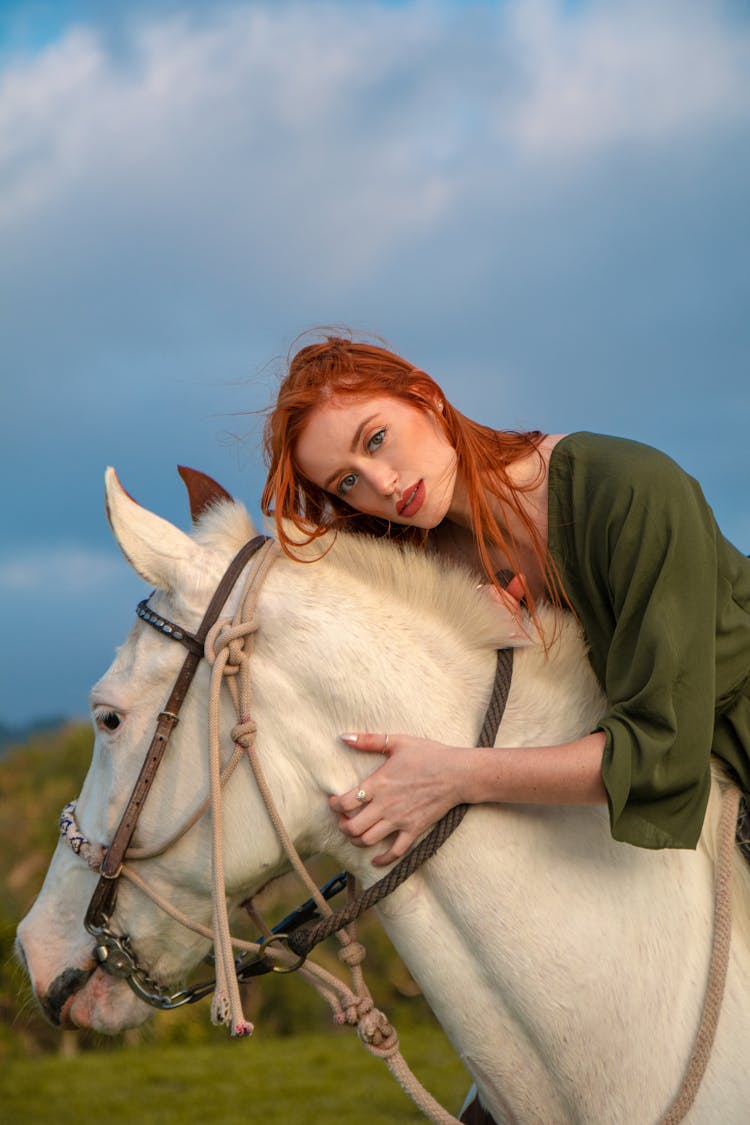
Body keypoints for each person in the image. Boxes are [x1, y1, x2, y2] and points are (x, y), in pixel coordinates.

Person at [261, 334, 750, 1124]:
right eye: (348, 481)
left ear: (424, 394)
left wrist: (456, 773)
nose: (383, 485)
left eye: (376, 439)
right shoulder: (430, 555)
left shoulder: (630, 489)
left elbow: (659, 753)